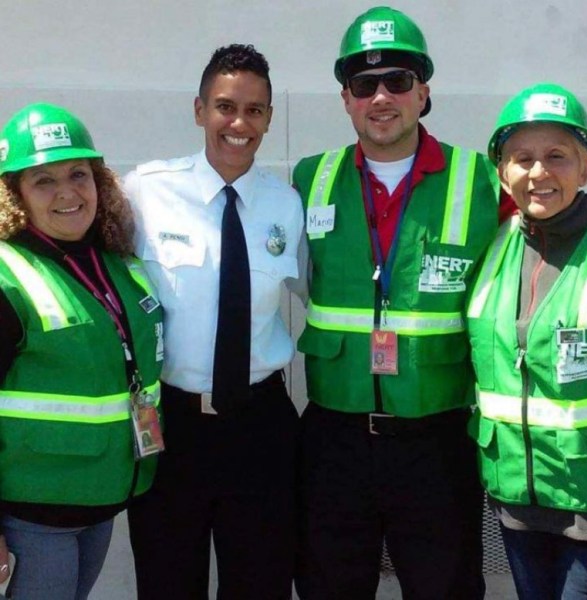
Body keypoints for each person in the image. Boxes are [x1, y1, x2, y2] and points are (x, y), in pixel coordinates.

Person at [292, 6, 514, 599]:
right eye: (365, 85)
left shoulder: (484, 181)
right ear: (346, 99)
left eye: (397, 81)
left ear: (424, 93)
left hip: (436, 443)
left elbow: (554, 233)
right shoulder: (308, 178)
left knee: (447, 588)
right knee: (327, 587)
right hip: (334, 439)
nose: (381, 96)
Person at [125, 44, 304, 599]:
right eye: (226, 106)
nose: (239, 123)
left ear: (269, 118)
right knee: (167, 583)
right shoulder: (145, 193)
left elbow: (319, 294)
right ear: (200, 109)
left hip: (261, 425)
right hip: (172, 426)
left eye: (255, 110)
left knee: (262, 584)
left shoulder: (287, 204)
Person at [467, 82, 587, 599]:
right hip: (520, 506)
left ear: (585, 167)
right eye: (522, 158)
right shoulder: (493, 248)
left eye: (557, 156)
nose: (538, 172)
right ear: (502, 172)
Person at [0, 103, 163, 599]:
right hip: (32, 515)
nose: (68, 192)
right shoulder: (8, 276)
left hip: (97, 505)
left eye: (78, 174)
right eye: (44, 180)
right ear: (15, 195)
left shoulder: (114, 261)